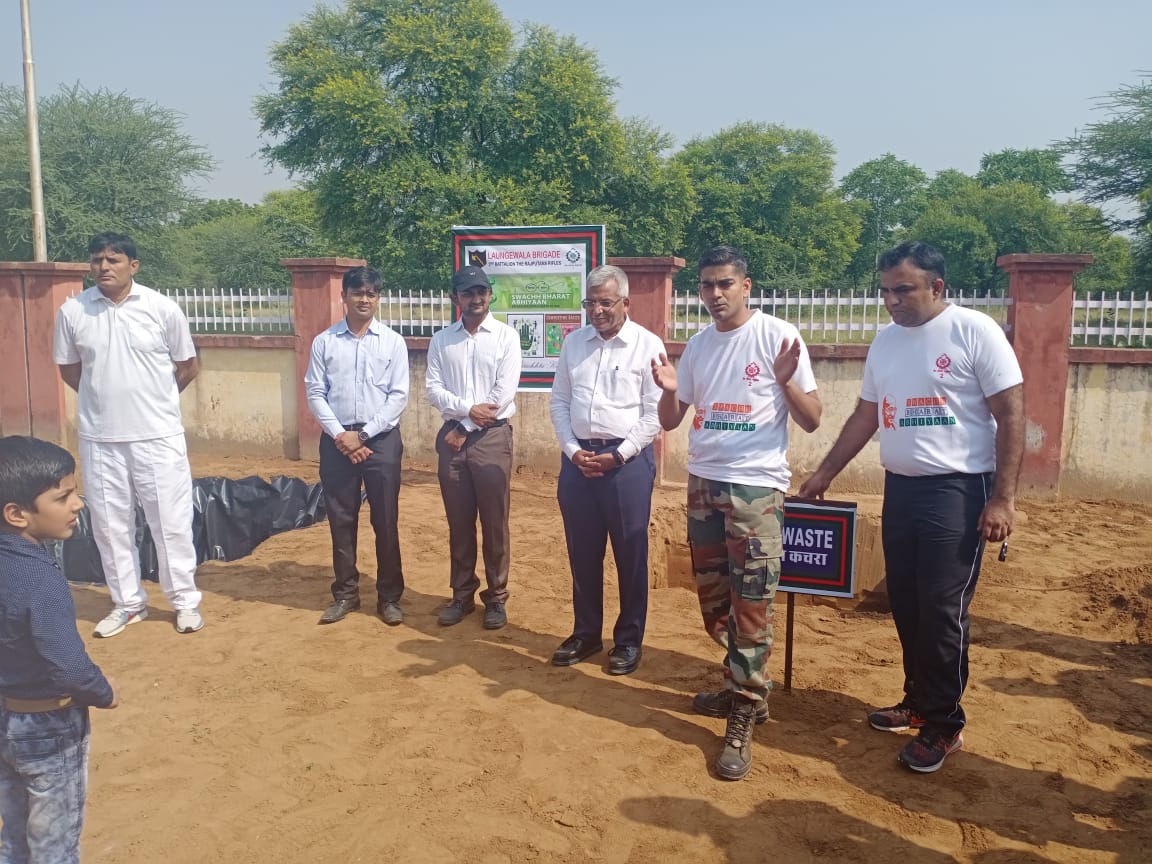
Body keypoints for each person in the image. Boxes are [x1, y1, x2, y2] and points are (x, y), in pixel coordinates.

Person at [798, 240, 1023, 774]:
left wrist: (1003, 499)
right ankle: (918, 702)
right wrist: (824, 472)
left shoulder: (974, 331)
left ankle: (945, 725)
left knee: (943, 611)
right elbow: (866, 414)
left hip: (959, 491)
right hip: (902, 487)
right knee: (907, 603)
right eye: (885, 291)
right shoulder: (886, 342)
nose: (892, 300)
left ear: (936, 287)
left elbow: (1012, 415)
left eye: (903, 289)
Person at [651, 246, 822, 780]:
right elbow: (672, 419)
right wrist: (670, 391)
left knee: (752, 605)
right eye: (706, 285)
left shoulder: (778, 337)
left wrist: (786, 380)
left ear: (746, 285)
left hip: (757, 491)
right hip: (703, 484)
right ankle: (743, 688)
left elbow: (813, 419)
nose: (714, 294)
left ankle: (745, 713)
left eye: (724, 283)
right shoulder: (699, 347)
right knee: (715, 604)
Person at [53, 232, 205, 637]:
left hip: (157, 436)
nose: (104, 267)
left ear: (133, 266)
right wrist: (101, 398)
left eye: (113, 260)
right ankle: (128, 603)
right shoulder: (74, 312)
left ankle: (185, 602)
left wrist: (156, 401)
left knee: (170, 522)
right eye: (97, 260)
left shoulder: (161, 308)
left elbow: (187, 365)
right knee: (109, 524)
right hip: (100, 438)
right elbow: (70, 369)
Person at [0, 436, 119, 863]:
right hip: (48, 728)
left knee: (14, 834)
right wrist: (104, 691)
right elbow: (69, 667)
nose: (78, 504)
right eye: (63, 496)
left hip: (5, 720)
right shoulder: (42, 582)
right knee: (55, 845)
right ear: (16, 514)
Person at [549, 265, 665, 676]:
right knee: (582, 551)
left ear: (625, 303)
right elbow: (559, 402)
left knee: (630, 552)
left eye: (605, 302)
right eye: (590, 302)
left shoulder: (648, 346)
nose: (596, 310)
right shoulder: (574, 345)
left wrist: (619, 455)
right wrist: (572, 450)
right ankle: (586, 633)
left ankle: (629, 639)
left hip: (626, 466)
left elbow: (654, 415)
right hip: (578, 463)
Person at [305, 266, 409, 625]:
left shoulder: (393, 342)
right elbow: (316, 393)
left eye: (371, 293)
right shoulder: (325, 342)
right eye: (358, 292)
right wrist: (342, 437)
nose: (364, 299)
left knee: (386, 519)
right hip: (337, 441)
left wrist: (362, 437)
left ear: (378, 298)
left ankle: (390, 597)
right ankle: (346, 593)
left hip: (380, 442)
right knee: (341, 519)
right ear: (344, 296)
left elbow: (398, 397)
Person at [425, 265, 521, 629]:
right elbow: (433, 389)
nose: (476, 298)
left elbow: (503, 393)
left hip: (491, 438)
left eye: (481, 291)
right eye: (468, 293)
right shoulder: (441, 340)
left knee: (495, 522)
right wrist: (465, 413)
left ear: (490, 295)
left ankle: (496, 598)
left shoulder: (506, 337)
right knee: (459, 522)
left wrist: (465, 426)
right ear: (456, 298)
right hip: (452, 439)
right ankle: (462, 595)